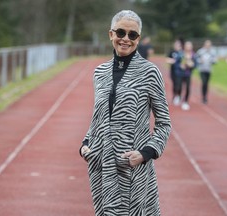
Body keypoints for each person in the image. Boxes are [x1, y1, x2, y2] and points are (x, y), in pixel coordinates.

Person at [79, 10, 171, 216]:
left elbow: (164, 123)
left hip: (133, 166)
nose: (125, 39)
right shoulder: (100, 72)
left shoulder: (150, 72)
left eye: (133, 35)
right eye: (121, 32)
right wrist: (85, 145)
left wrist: (145, 153)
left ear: (138, 39)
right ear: (111, 34)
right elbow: (99, 117)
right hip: (102, 165)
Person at [177, 41, 196, 110]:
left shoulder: (193, 54)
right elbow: (177, 62)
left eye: (190, 46)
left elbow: (195, 65)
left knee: (188, 88)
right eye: (187, 46)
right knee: (179, 87)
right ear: (185, 47)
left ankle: (185, 102)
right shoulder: (181, 53)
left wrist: (191, 64)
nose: (189, 47)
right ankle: (178, 96)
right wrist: (180, 66)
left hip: (188, 74)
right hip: (180, 73)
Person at [196, 40, 217, 104]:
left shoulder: (213, 52)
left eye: (209, 45)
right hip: (202, 69)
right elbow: (196, 59)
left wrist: (212, 61)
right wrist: (200, 61)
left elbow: (215, 60)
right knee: (204, 82)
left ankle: (205, 96)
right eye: (207, 45)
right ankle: (203, 96)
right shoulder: (200, 51)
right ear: (204, 45)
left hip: (209, 70)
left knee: (206, 83)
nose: (208, 46)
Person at [166, 39, 184, 105]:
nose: (176, 46)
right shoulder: (172, 52)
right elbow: (167, 59)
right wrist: (172, 61)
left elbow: (184, 61)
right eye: (176, 44)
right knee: (174, 84)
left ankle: (178, 96)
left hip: (180, 72)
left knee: (179, 84)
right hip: (173, 71)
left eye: (178, 45)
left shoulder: (182, 53)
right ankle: (174, 96)